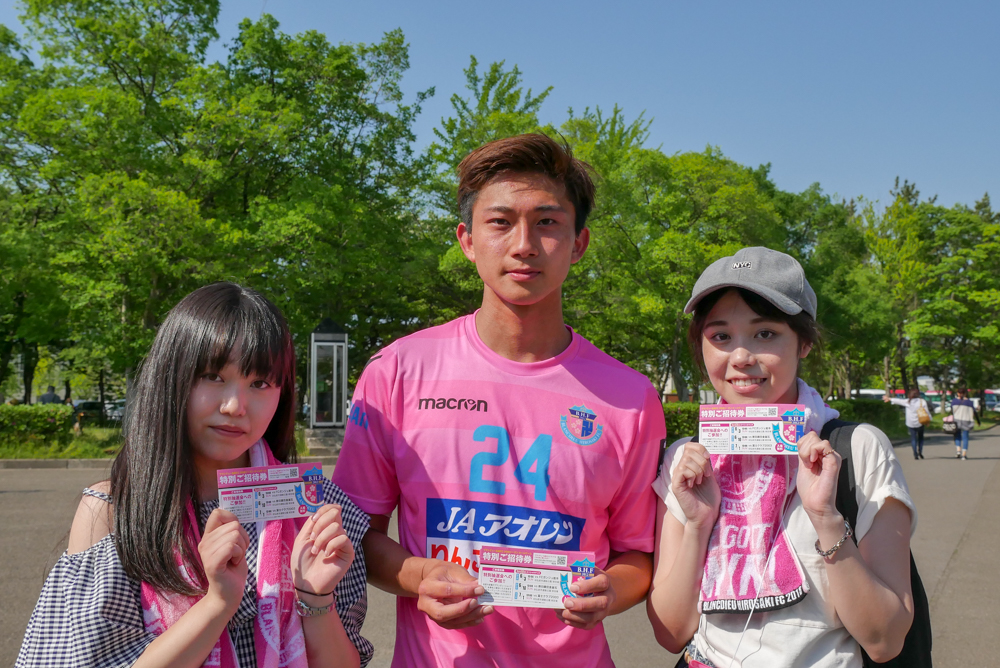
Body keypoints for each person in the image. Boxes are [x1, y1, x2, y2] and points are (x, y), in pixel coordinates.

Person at [332, 133, 665, 668]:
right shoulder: (396, 373)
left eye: (547, 222)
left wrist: (610, 593)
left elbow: (638, 554)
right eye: (501, 221)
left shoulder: (631, 399)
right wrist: (421, 576)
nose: (524, 244)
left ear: (579, 244)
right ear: (467, 240)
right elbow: (353, 534)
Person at [17, 282, 371, 668]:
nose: (235, 406)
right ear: (170, 377)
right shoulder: (112, 511)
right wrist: (217, 603)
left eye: (260, 383)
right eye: (213, 376)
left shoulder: (313, 506)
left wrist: (315, 599)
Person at [646, 247, 916, 668]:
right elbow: (670, 632)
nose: (740, 357)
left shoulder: (858, 449)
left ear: (804, 342)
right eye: (720, 337)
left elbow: (885, 640)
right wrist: (698, 524)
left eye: (765, 334)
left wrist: (826, 518)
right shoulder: (686, 458)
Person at [884, 388, 932, 459]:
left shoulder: (908, 401)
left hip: (910, 423)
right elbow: (927, 411)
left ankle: (915, 454)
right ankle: (920, 451)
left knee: (913, 438)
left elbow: (899, 401)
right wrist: (929, 421)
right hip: (920, 422)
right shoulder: (922, 401)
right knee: (921, 438)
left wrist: (889, 399)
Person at [949, 389, 980, 459]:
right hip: (966, 420)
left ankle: (958, 451)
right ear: (965, 393)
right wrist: (978, 421)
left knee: (957, 435)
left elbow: (951, 411)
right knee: (965, 437)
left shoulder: (954, 401)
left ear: (957, 393)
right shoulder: (969, 402)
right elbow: (974, 412)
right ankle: (964, 455)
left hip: (956, 420)